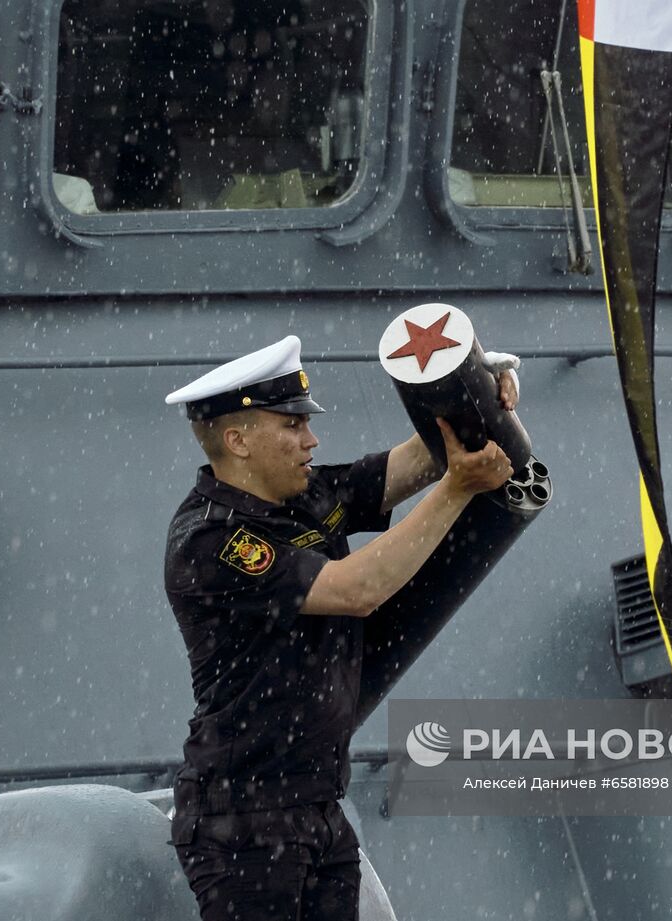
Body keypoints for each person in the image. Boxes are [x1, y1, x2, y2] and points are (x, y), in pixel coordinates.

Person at [162, 334, 518, 921]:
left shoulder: (306, 494)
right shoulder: (211, 540)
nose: (312, 439)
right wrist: (456, 491)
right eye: (293, 426)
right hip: (243, 822)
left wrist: (477, 401)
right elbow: (356, 590)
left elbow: (419, 459)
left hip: (317, 806)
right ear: (238, 440)